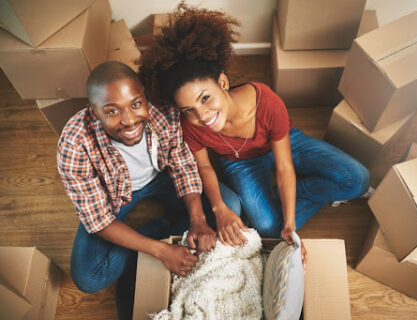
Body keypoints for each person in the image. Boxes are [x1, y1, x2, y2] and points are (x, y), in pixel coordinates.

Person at [139, 5, 369, 262]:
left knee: (356, 179)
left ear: (223, 83)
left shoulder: (266, 101)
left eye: (205, 98)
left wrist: (291, 223)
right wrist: (220, 208)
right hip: (239, 162)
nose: (202, 116)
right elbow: (203, 167)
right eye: (188, 109)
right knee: (268, 228)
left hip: (281, 143)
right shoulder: (189, 124)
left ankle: (283, 198)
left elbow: (283, 167)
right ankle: (288, 199)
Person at [56, 61, 240, 320]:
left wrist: (198, 220)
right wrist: (161, 251)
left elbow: (183, 164)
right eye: (112, 111)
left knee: (230, 203)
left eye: (136, 104)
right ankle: (158, 233)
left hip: (161, 178)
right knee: (89, 278)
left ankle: (154, 234)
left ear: (144, 95)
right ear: (94, 113)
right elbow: (98, 221)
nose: (129, 120)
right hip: (114, 198)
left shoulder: (164, 108)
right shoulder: (74, 145)